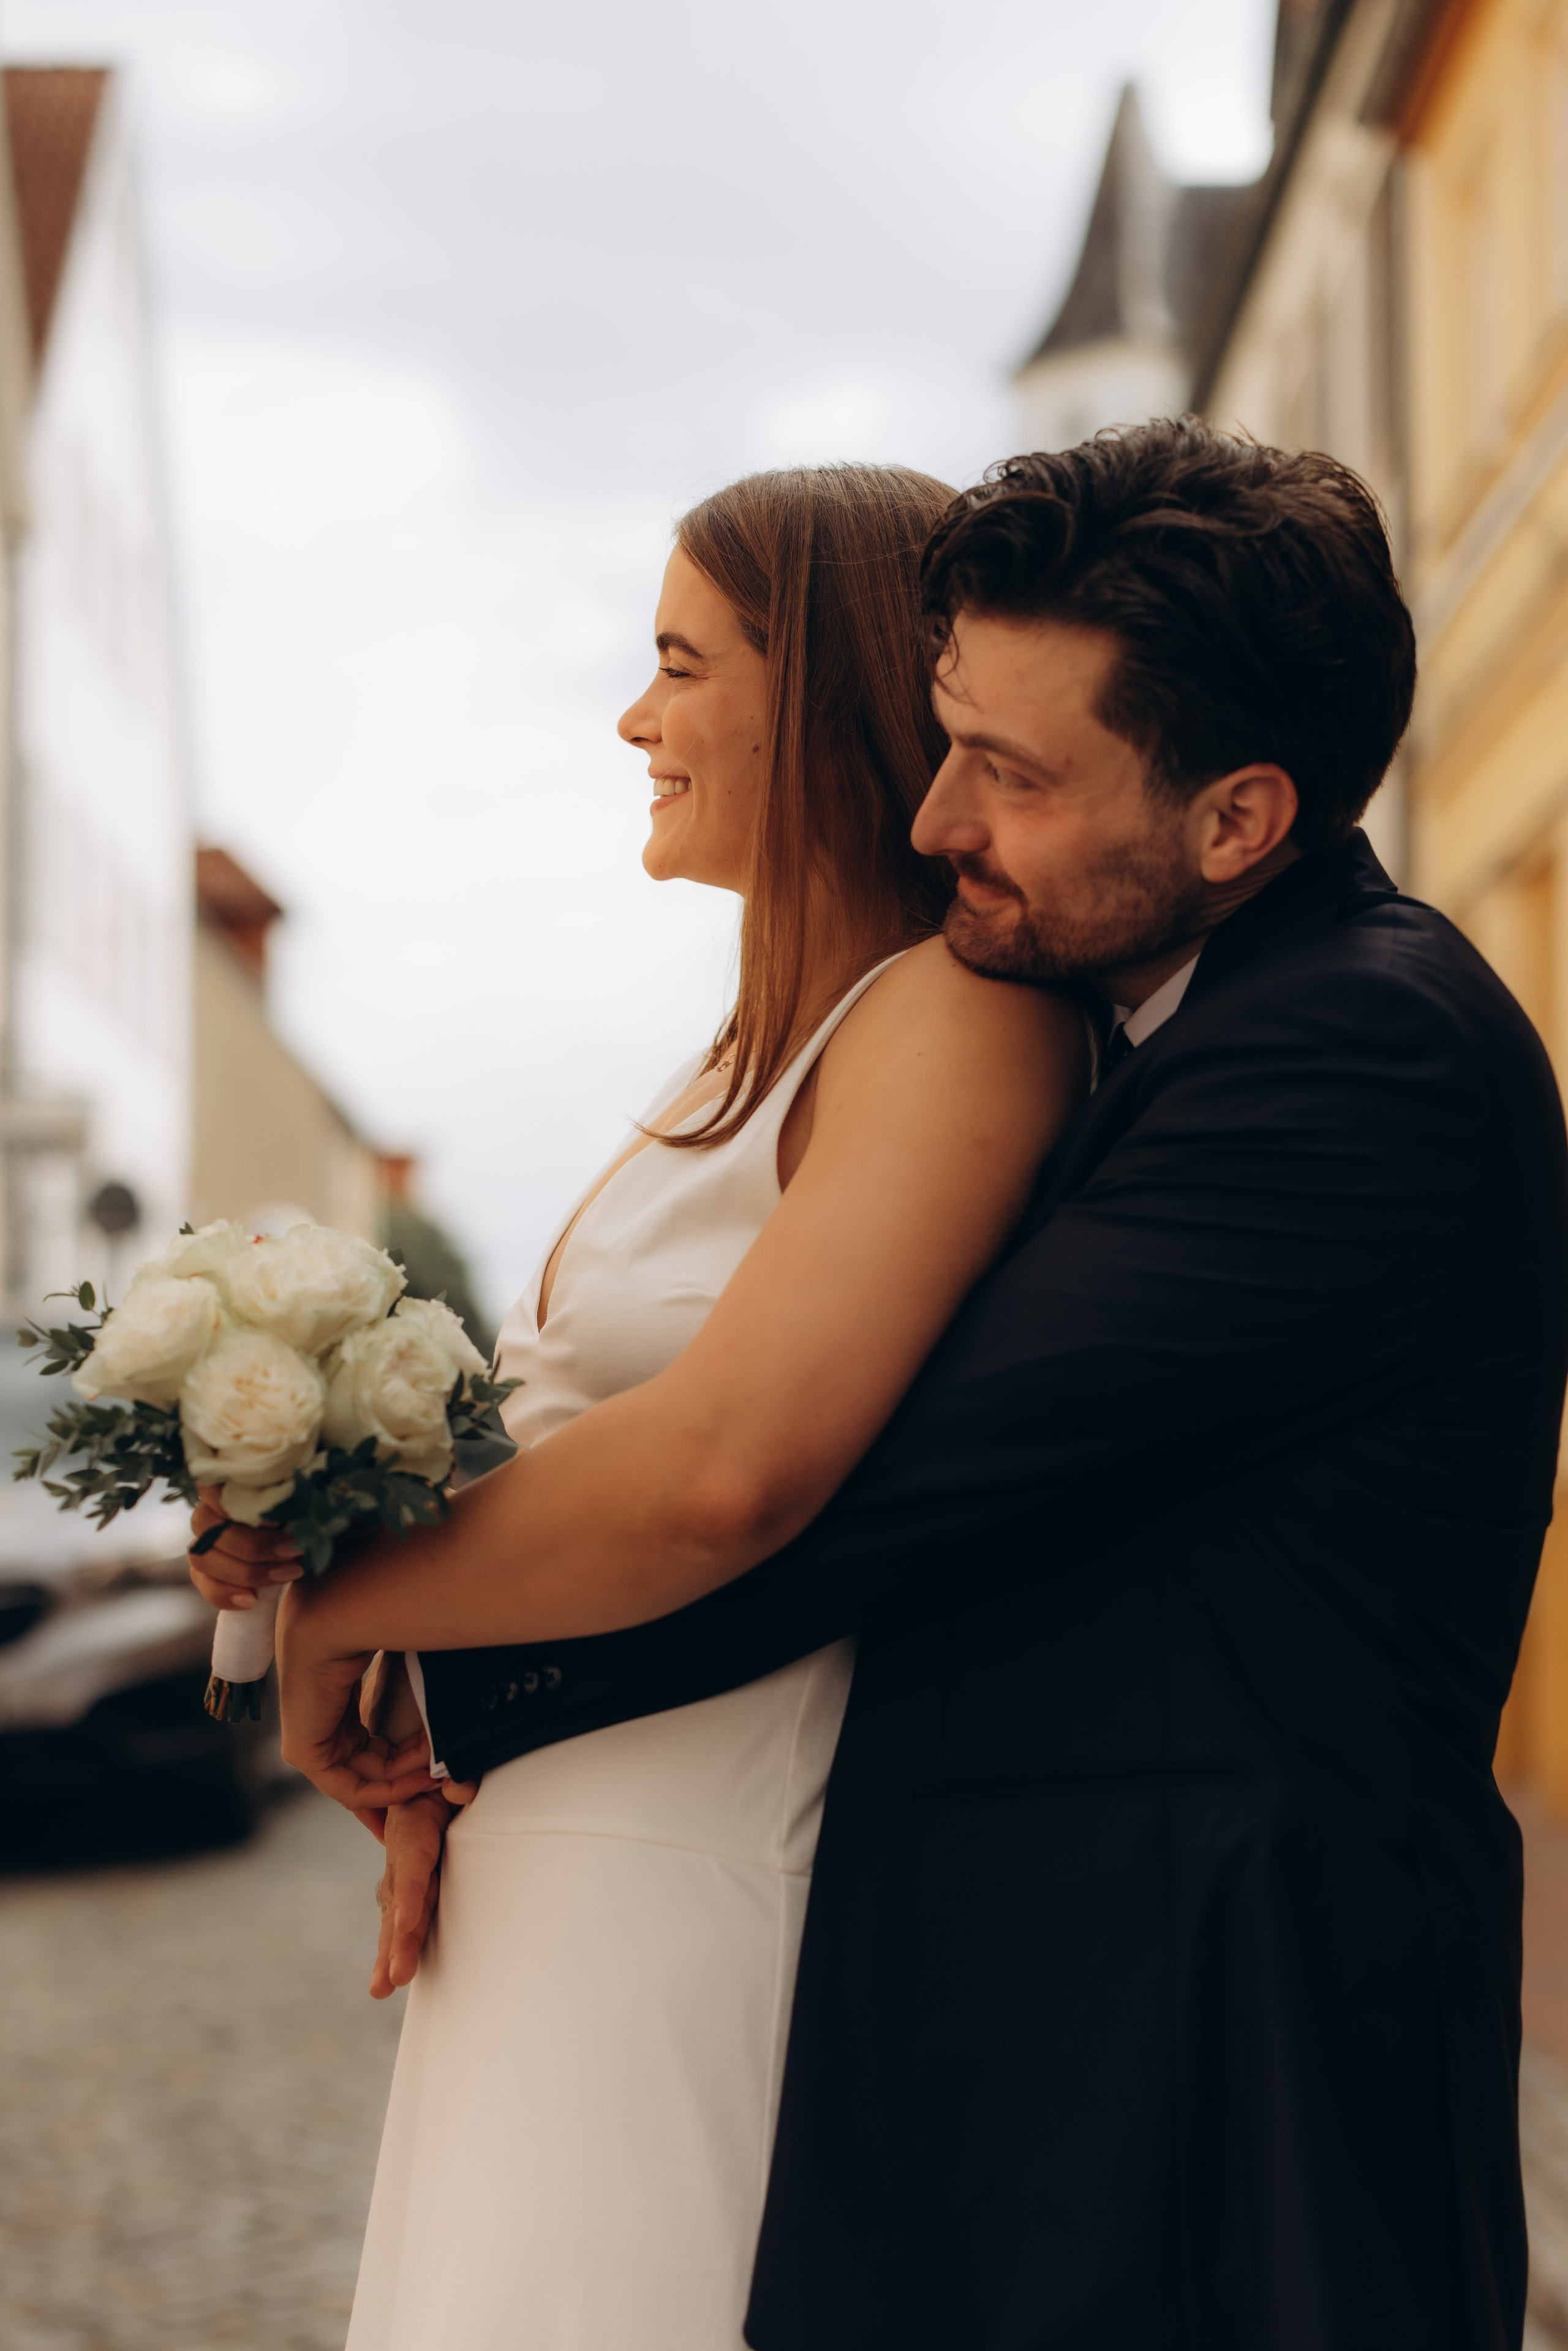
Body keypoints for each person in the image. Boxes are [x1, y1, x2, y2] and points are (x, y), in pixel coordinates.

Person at [198, 422, 1568, 2349]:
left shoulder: (1359, 1054)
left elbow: (834, 1482)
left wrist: (374, 1619)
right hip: (1041, 2074)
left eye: (1011, 772)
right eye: (946, 740)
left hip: (1235, 2086)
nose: (937, 820)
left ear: (1239, 820)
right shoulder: (1148, 1018)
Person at [192, 461, 1088, 2350]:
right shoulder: (736, 1058)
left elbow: (723, 1478)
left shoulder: (955, 1023)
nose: (633, 718)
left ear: (824, 692)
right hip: (549, 1838)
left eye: (681, 665)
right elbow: (563, 1446)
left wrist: (342, 1611)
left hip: (698, 1863)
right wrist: (350, 1565)